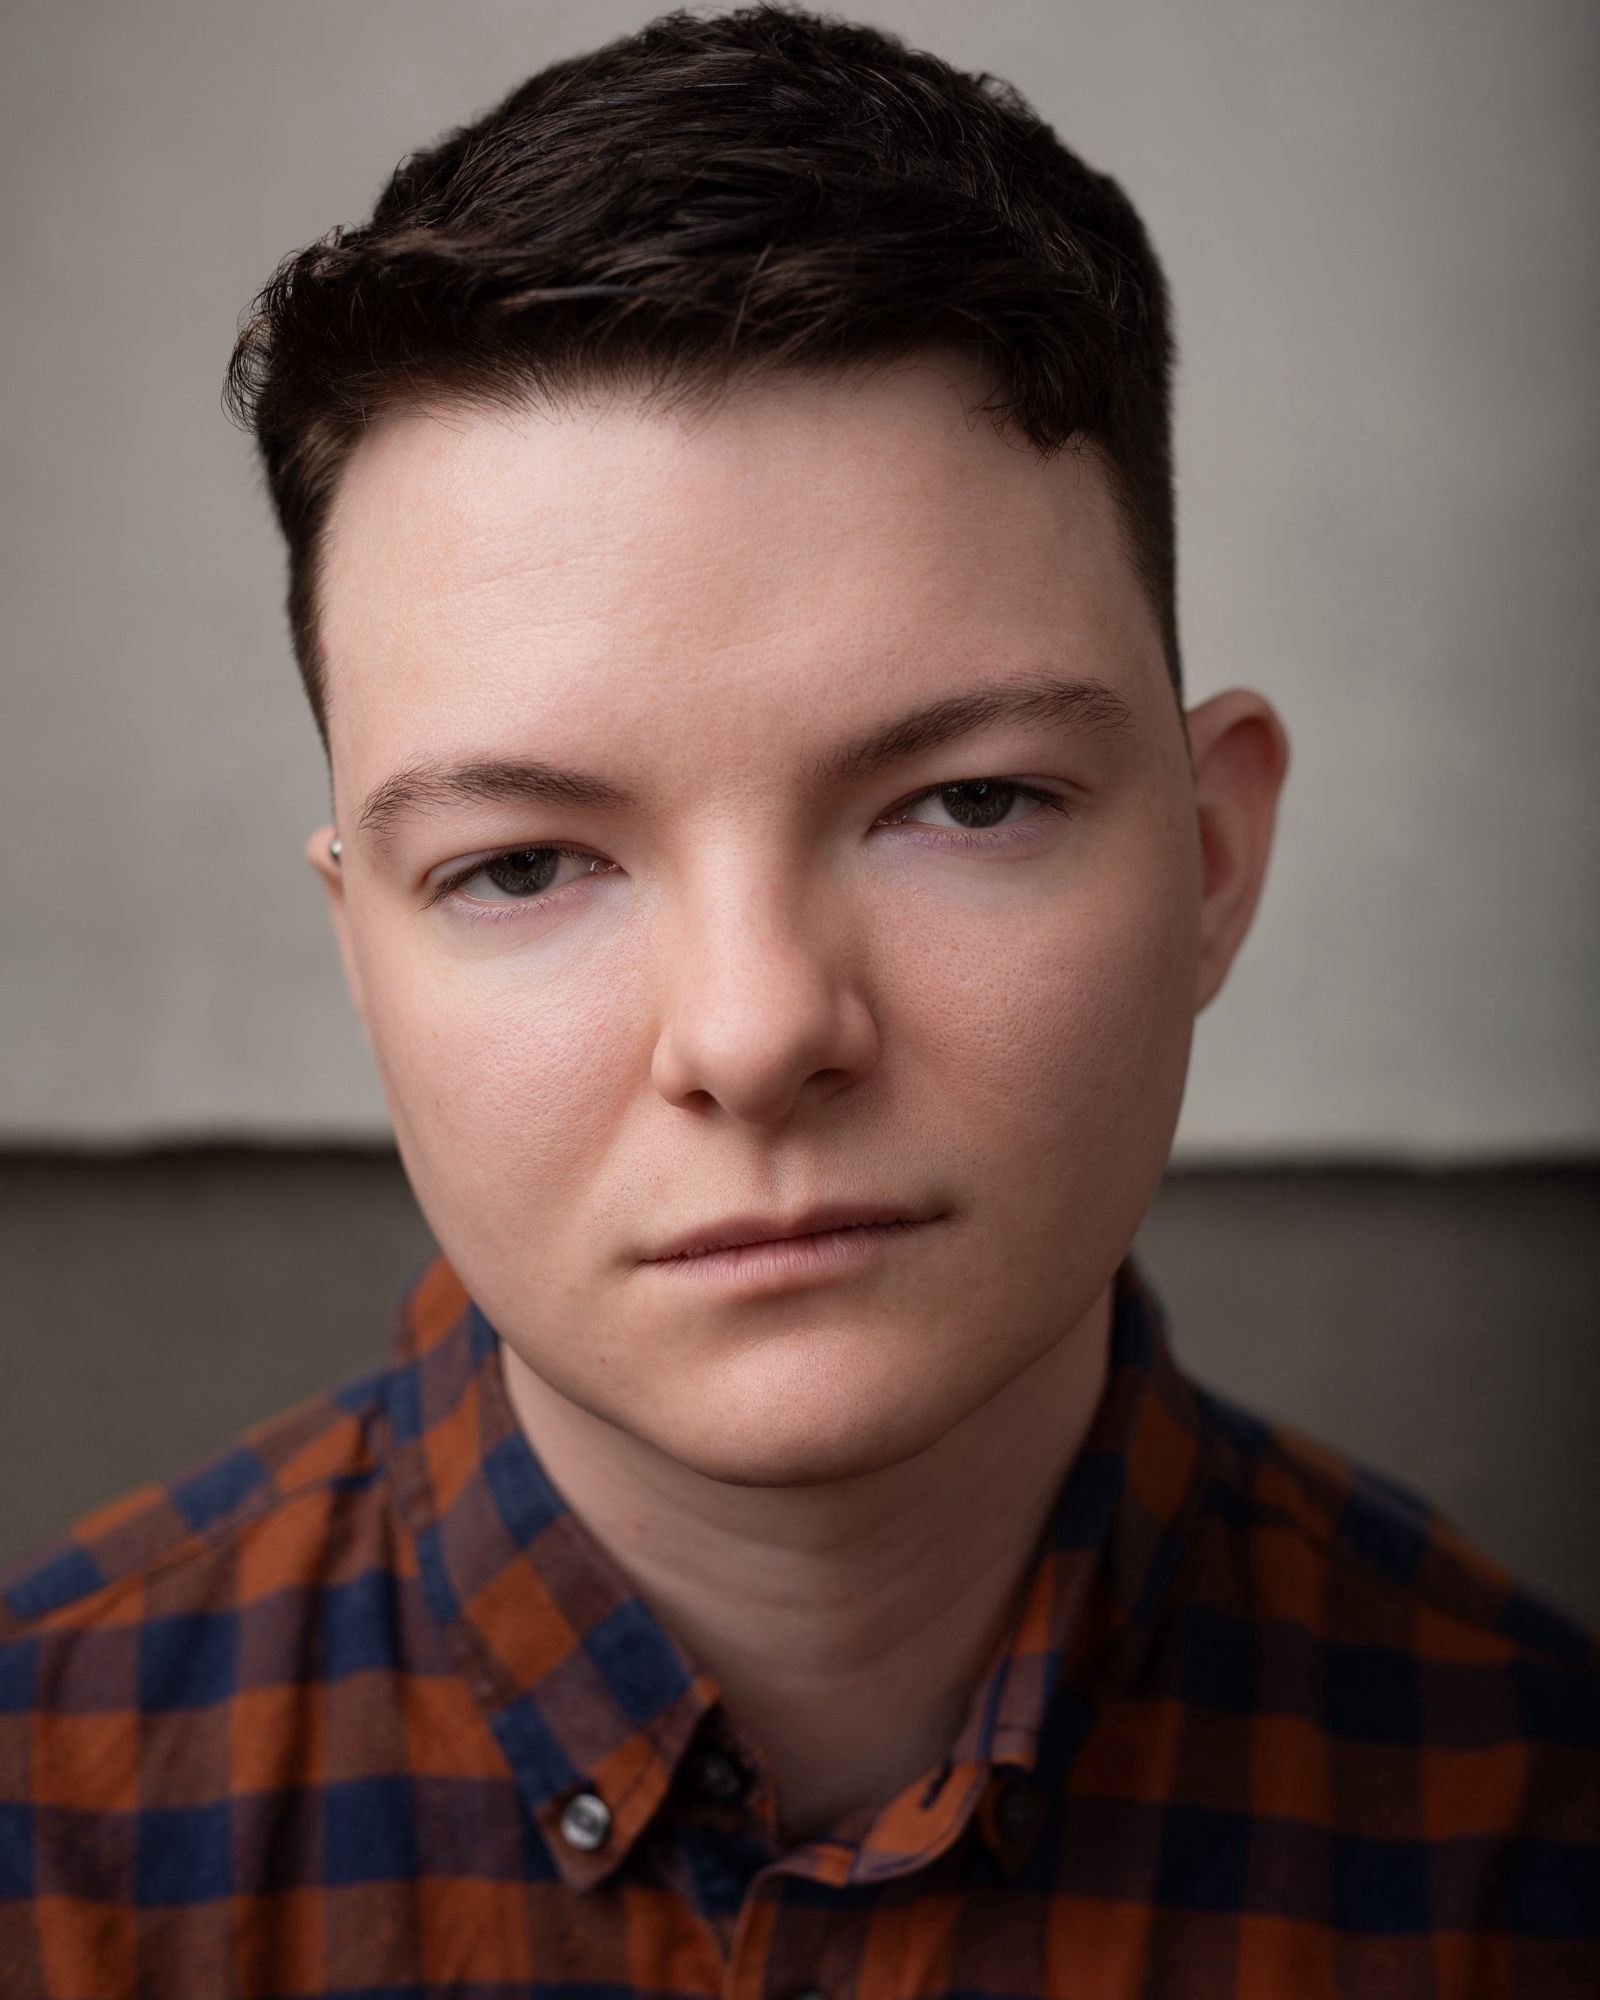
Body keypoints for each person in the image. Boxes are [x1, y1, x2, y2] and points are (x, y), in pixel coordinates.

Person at [1, 7, 1594, 1994]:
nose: (756, 1035)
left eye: (964, 802)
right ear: (363, 958)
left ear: (1204, 857)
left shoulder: (1540, 1837)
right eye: (518, 864)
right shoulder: (41, 1839)